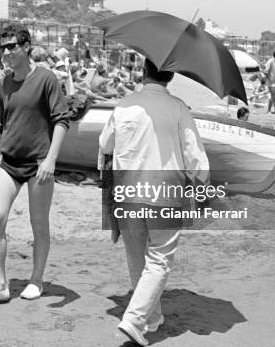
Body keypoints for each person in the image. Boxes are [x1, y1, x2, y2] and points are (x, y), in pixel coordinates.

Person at [99, 58, 209, 345]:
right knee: (159, 260)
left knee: (137, 258)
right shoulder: (178, 108)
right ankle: (135, 319)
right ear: (170, 76)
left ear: (143, 72)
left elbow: (105, 145)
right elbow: (195, 155)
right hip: (165, 193)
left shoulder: (124, 104)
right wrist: (203, 187)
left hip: (127, 192)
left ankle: (151, 318)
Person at [0, 24, 69, 304]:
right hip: (10, 162)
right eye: (3, 48)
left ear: (27, 46)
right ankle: (0, 284)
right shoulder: (3, 82)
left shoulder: (46, 79)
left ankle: (36, 280)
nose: (6, 53)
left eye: (12, 46)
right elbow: (2, 123)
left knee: (38, 223)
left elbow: (61, 120)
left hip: (40, 162)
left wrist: (51, 160)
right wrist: (0, 150)